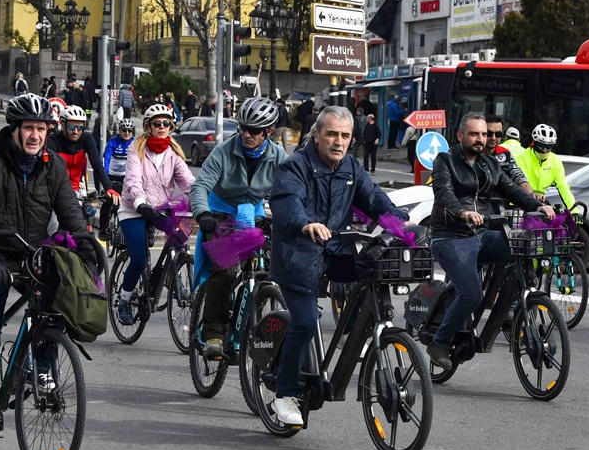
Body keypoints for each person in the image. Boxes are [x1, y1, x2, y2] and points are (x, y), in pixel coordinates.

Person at [0, 94, 96, 434]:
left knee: (56, 305)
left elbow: (71, 213)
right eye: (28, 127)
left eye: (41, 128)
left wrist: (87, 253)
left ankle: (43, 370)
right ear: (14, 129)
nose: (35, 135)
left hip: (32, 254)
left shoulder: (53, 165)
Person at [266, 106, 405, 427]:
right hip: (297, 253)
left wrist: (398, 220)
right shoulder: (294, 167)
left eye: (344, 135)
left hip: (335, 250)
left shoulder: (352, 168)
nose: (338, 141)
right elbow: (288, 203)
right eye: (331, 134)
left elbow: (375, 199)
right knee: (302, 322)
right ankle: (284, 393)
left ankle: (369, 331)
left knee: (375, 272)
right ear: (316, 135)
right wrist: (305, 224)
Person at [426, 113, 554, 370]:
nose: (481, 139)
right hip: (451, 236)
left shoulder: (489, 163)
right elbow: (444, 193)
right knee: (471, 294)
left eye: (484, 135)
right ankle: (439, 342)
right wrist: (462, 212)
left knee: (521, 246)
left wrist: (538, 207)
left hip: (481, 233)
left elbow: (511, 189)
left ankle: (510, 303)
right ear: (460, 135)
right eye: (474, 134)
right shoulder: (445, 160)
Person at [190, 98, 285, 359]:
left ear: (269, 132)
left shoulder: (278, 156)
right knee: (225, 270)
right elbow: (200, 187)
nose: (246, 134)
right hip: (219, 212)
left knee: (271, 266)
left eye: (254, 130)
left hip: (252, 213)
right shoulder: (223, 151)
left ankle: (254, 311)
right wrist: (203, 213)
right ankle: (214, 333)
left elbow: (291, 190)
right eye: (243, 127)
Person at [116, 104, 194, 324]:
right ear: (148, 126)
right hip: (134, 209)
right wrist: (140, 203)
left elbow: (189, 183)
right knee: (139, 258)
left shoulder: (174, 155)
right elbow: (132, 180)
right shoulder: (136, 150)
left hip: (159, 209)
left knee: (179, 236)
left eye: (166, 123)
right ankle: (124, 299)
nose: (162, 127)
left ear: (171, 126)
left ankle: (173, 274)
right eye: (157, 123)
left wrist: (203, 200)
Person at [48, 104, 113, 201]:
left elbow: (97, 164)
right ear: (62, 124)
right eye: (71, 127)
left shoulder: (86, 138)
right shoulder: (52, 141)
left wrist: (109, 188)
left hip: (77, 190)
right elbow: (49, 170)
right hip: (56, 191)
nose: (75, 131)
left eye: (79, 128)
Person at [515, 123, 575, 209]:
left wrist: (574, 211)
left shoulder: (555, 160)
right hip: (519, 203)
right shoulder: (522, 157)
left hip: (540, 203)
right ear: (533, 143)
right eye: (541, 146)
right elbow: (520, 181)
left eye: (549, 147)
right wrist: (532, 194)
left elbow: (563, 187)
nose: (544, 150)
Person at [100, 117, 135, 235]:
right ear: (119, 131)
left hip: (127, 177)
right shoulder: (113, 142)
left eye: (130, 131)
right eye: (124, 130)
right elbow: (106, 159)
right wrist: (105, 177)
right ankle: (103, 229)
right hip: (112, 176)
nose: (127, 133)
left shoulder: (134, 143)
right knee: (108, 202)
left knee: (130, 204)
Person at [485, 116, 532, 195]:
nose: (493, 138)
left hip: (502, 200)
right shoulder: (473, 151)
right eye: (489, 133)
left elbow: (517, 175)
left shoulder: (505, 153)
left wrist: (531, 194)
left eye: (498, 134)